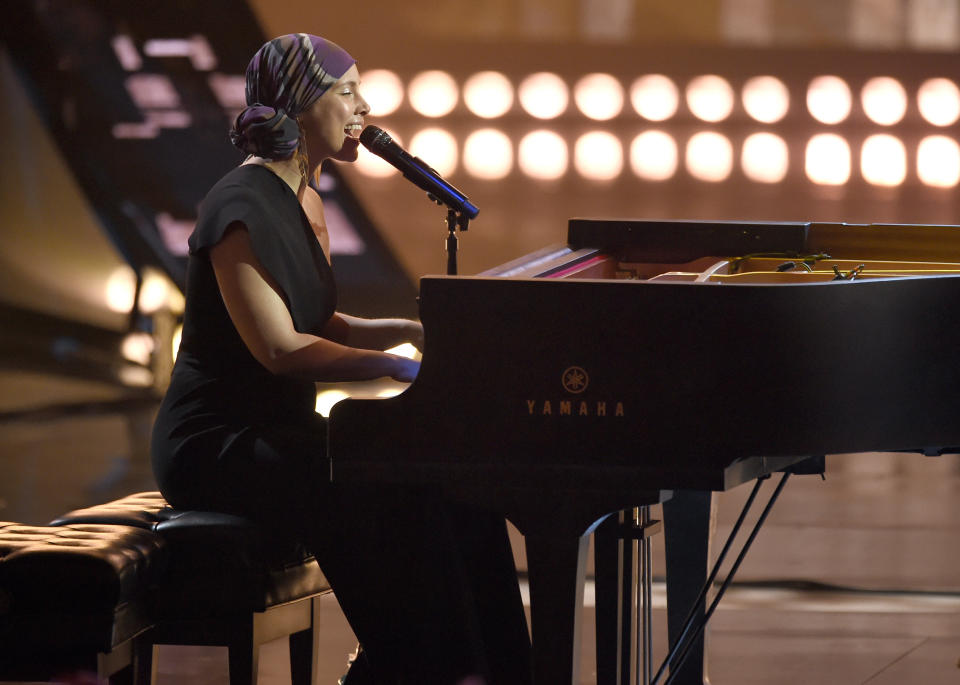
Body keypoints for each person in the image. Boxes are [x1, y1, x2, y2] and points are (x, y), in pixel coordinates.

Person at [150, 34, 531, 684]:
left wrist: (411, 329)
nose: (364, 106)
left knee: (455, 486)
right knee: (375, 493)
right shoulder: (237, 207)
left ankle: (495, 666)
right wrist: (400, 367)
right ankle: (409, 660)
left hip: (283, 434)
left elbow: (319, 321)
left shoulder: (306, 198)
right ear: (301, 106)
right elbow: (279, 348)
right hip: (219, 444)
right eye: (347, 91)